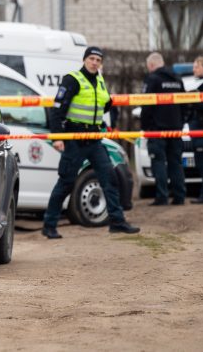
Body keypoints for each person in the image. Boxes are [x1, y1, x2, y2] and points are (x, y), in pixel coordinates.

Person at [41, 46, 140, 239]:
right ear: (85, 60)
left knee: (109, 179)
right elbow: (56, 111)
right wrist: (58, 137)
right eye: (92, 58)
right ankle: (49, 224)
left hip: (94, 139)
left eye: (98, 60)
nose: (95, 62)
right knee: (66, 183)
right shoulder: (73, 79)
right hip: (75, 139)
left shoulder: (100, 81)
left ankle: (117, 222)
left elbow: (104, 105)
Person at [141, 52, 186, 205]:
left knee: (158, 162)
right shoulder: (177, 80)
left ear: (152, 65)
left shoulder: (152, 79)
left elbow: (145, 105)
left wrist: (145, 128)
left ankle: (162, 196)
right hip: (175, 129)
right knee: (176, 162)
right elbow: (185, 104)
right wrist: (180, 123)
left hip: (157, 130)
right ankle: (179, 196)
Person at [185, 56, 203, 204]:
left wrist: (194, 100)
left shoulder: (201, 87)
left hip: (201, 133)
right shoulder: (198, 85)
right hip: (196, 133)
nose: (193, 69)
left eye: (196, 66)